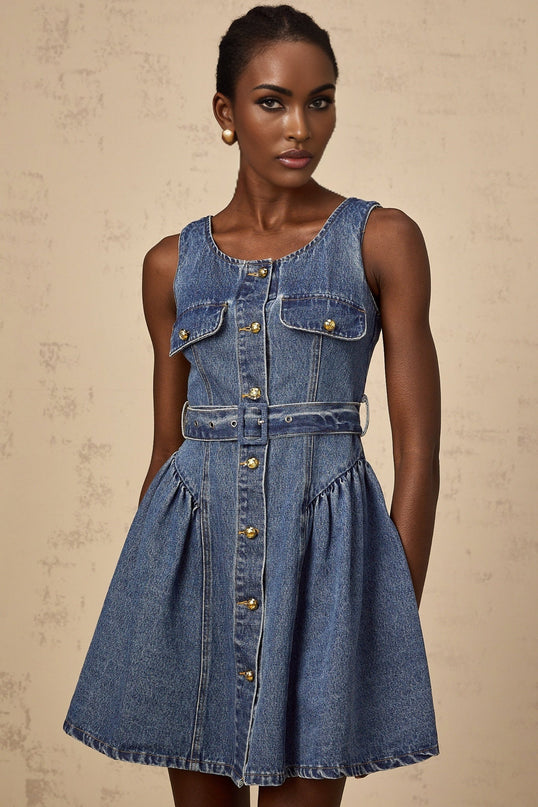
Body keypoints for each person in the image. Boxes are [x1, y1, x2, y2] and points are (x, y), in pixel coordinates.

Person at [63, 5, 441, 806]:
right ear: (227, 115)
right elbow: (165, 448)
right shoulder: (170, 266)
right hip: (188, 568)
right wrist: (145, 603)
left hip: (332, 570)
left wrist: (389, 606)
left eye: (321, 100)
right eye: (273, 101)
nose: (301, 125)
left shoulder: (382, 239)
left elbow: (419, 454)